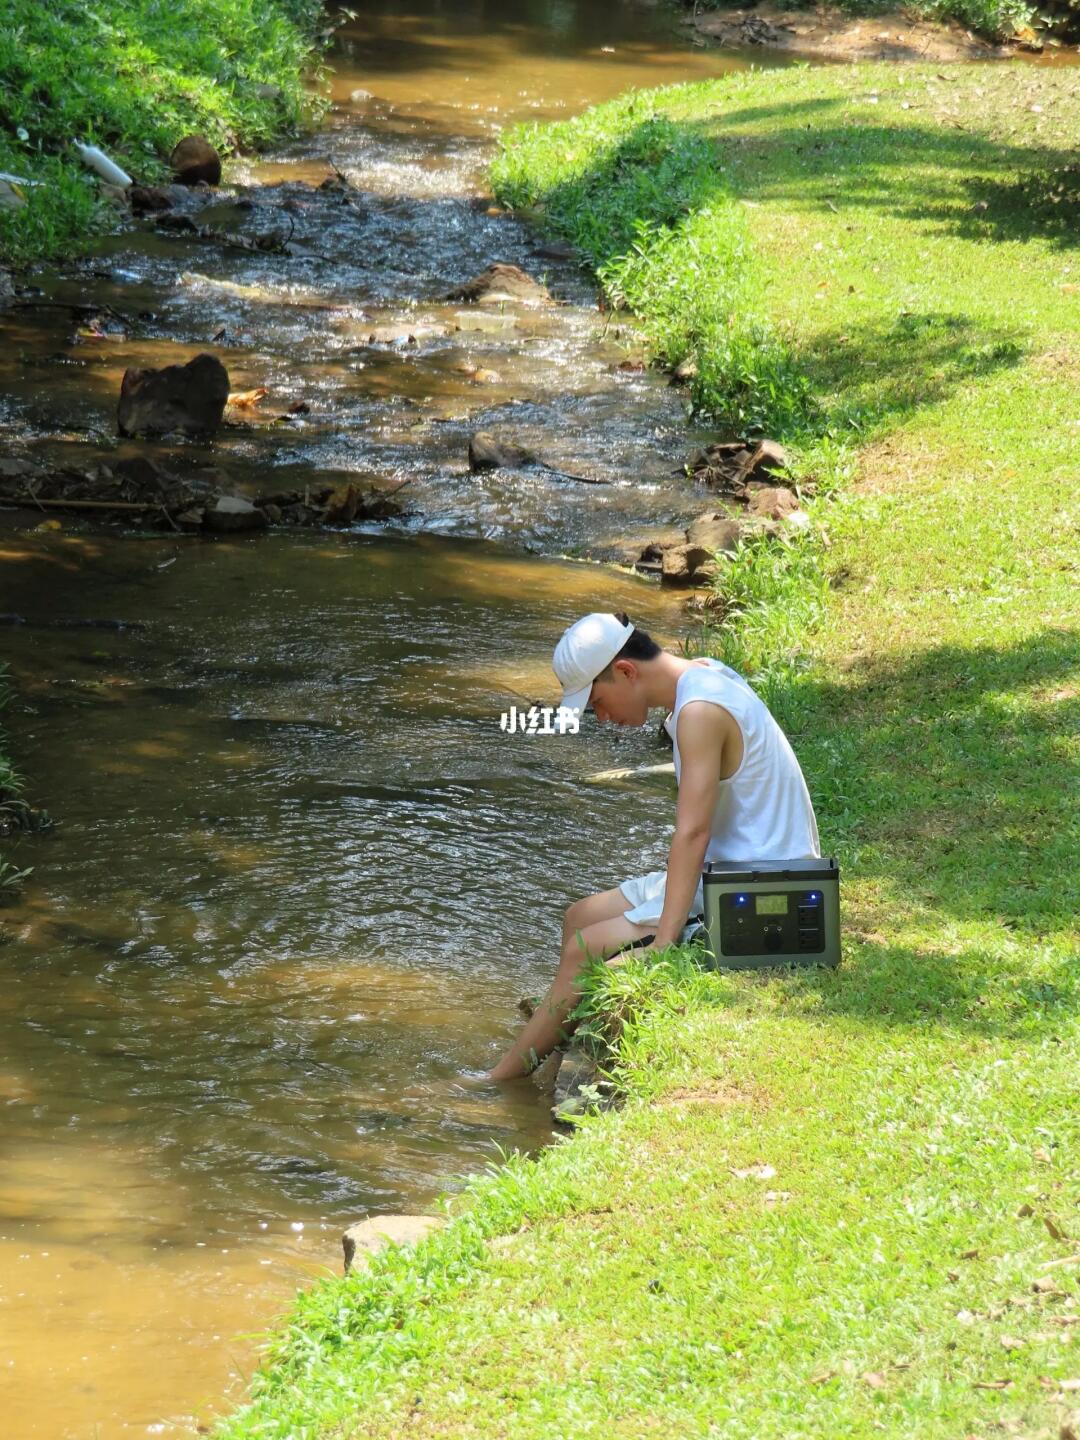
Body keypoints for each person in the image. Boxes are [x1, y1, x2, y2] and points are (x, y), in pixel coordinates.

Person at [487, 610, 820, 1082]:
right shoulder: (703, 674)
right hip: (734, 865)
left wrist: (664, 943)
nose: (601, 719)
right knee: (578, 917)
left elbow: (693, 833)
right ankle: (552, 1051)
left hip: (765, 889)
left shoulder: (699, 712)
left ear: (626, 671)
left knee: (586, 946)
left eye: (597, 703)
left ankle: (501, 1080)